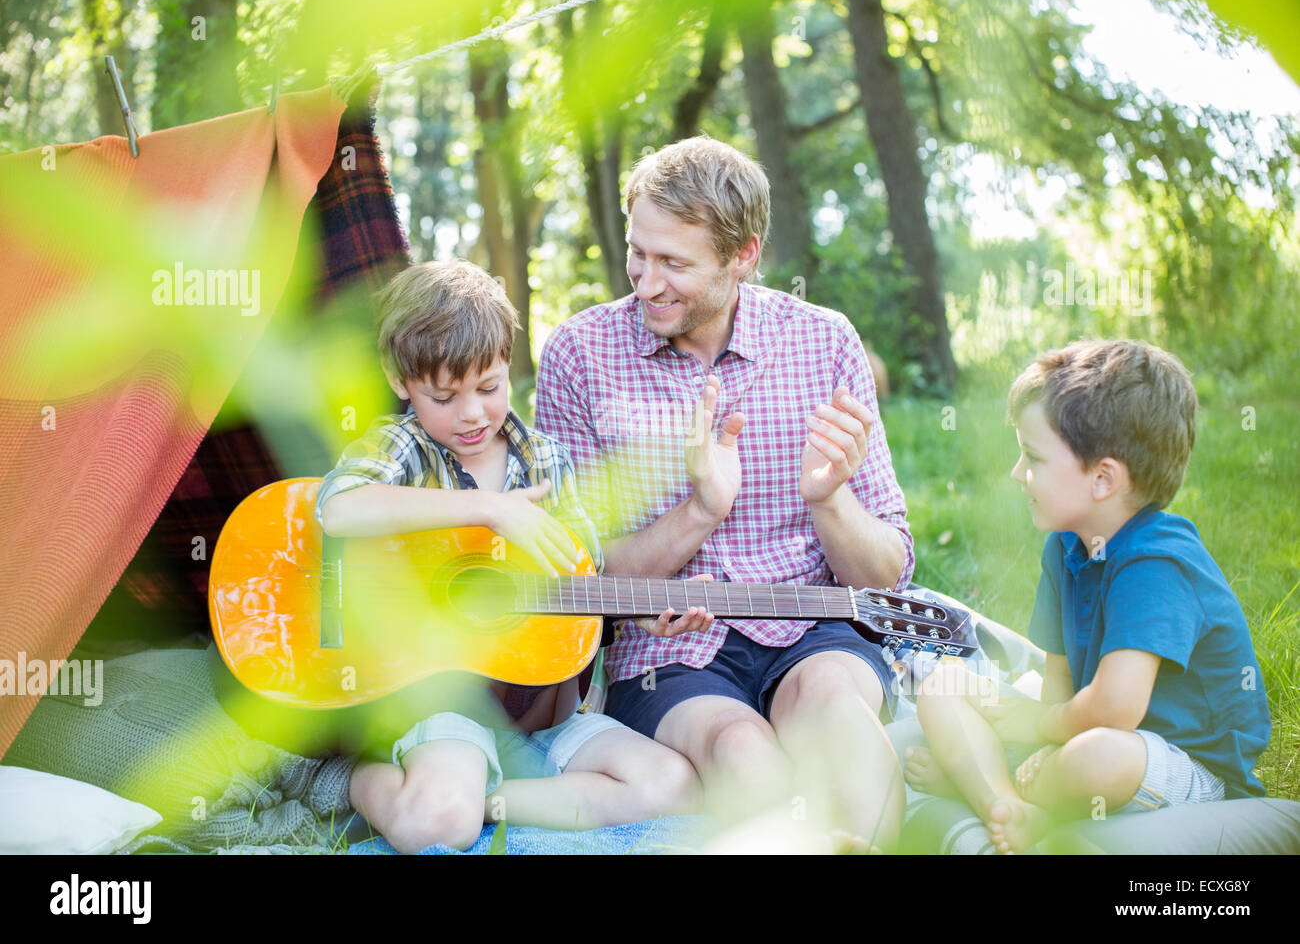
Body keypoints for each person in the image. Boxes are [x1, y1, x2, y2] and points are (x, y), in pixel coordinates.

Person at [534, 136, 913, 851]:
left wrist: (831, 500)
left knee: (835, 712)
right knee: (742, 748)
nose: (646, 282)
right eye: (637, 253)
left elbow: (887, 575)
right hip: (668, 658)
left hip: (811, 630)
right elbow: (580, 576)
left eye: (675, 263)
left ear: (744, 256)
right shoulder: (578, 356)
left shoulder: (824, 343)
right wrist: (699, 512)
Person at [316, 260, 698, 853]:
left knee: (671, 784)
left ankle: (490, 802)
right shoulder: (405, 446)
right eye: (444, 396)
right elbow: (339, 508)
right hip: (444, 710)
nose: (471, 414)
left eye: (490, 388)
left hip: (536, 716)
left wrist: (633, 613)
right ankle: (358, 782)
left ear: (508, 365)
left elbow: (579, 582)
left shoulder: (547, 463)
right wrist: (491, 510)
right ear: (400, 380)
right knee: (436, 826)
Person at [903, 339, 1272, 853]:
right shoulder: (1066, 546)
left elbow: (1117, 706)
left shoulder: (1157, 562)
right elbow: (1060, 678)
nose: (1016, 474)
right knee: (944, 682)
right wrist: (1045, 728)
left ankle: (1000, 784)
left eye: (1033, 457)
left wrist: (1042, 726)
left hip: (1184, 764)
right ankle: (1006, 803)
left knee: (1095, 756)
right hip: (1083, 730)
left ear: (1103, 479)